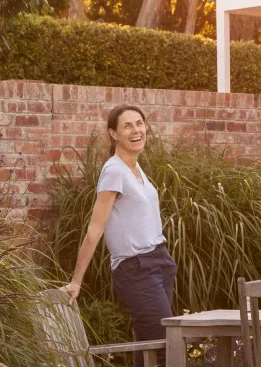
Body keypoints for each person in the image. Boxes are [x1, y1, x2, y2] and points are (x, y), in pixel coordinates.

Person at [65, 104, 177, 348]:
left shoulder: (135, 168)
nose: (136, 130)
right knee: (164, 347)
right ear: (113, 134)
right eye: (127, 125)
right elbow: (95, 229)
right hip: (137, 269)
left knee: (149, 346)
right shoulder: (114, 170)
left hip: (160, 262)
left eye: (139, 123)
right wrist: (76, 281)